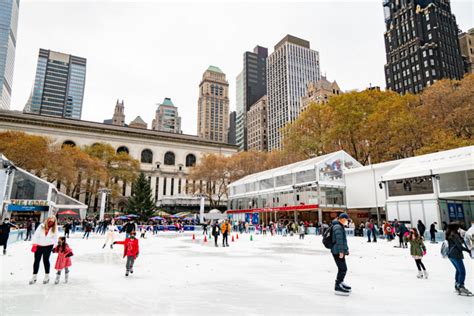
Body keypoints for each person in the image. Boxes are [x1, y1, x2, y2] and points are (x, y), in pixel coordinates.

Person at [29, 216, 60, 285]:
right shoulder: (41, 226)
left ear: (54, 222)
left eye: (52, 221)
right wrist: (34, 244)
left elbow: (56, 238)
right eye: (49, 221)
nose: (50, 222)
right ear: (47, 220)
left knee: (45, 260)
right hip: (39, 246)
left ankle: (47, 276)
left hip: (48, 246)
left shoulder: (55, 228)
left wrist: (56, 246)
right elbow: (36, 235)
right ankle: (34, 276)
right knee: (36, 260)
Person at [446, 223, 471, 295]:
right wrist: (468, 250)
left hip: (451, 255)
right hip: (456, 255)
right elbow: (459, 246)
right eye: (458, 227)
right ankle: (461, 286)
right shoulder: (454, 235)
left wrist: (462, 238)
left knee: (458, 270)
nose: (459, 229)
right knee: (462, 271)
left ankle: (457, 285)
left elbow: (457, 243)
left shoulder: (449, 234)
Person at [330, 213, 351, 296]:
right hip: (337, 251)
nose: (347, 221)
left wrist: (345, 250)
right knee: (343, 269)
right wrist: (341, 252)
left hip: (338, 250)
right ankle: (338, 285)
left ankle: (340, 283)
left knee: (342, 268)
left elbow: (343, 240)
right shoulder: (338, 227)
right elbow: (339, 240)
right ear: (342, 219)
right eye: (346, 219)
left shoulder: (339, 225)